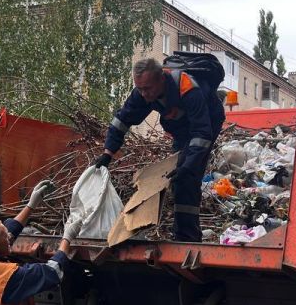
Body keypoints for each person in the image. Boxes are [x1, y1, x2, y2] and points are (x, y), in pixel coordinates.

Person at [96, 57, 225, 242]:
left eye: (147, 88)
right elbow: (122, 120)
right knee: (177, 175)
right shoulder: (142, 92)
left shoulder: (188, 88)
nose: (143, 94)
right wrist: (107, 153)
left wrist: (188, 166)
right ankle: (180, 230)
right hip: (181, 128)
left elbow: (201, 135)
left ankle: (187, 238)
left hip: (206, 124)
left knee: (187, 178)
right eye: (139, 88)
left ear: (161, 79)